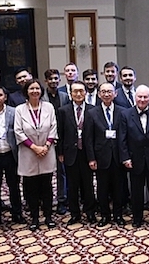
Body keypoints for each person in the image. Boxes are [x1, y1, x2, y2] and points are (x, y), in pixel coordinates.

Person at [120, 85, 149, 226]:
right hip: (135, 159)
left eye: (145, 97)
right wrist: (125, 158)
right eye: (139, 96)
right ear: (135, 98)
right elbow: (122, 139)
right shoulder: (126, 114)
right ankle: (137, 219)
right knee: (136, 191)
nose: (142, 99)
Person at [14, 79, 58, 231]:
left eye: (37, 88)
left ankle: (48, 216)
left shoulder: (49, 107)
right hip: (29, 153)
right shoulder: (19, 109)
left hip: (47, 152)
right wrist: (34, 147)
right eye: (31, 88)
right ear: (26, 91)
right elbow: (18, 132)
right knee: (31, 188)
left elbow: (53, 127)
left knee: (47, 186)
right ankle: (34, 218)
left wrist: (45, 146)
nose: (35, 91)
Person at [84, 82, 126, 227]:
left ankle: (118, 215)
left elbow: (125, 136)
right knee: (102, 188)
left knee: (118, 188)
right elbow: (88, 138)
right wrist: (91, 158)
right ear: (99, 94)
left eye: (110, 91)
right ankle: (105, 216)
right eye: (103, 92)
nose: (107, 94)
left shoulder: (123, 111)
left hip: (118, 156)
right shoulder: (91, 113)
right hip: (100, 157)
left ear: (115, 93)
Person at [56, 81, 97, 226]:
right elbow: (60, 133)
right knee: (72, 186)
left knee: (88, 185)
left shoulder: (93, 110)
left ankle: (90, 212)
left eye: (81, 91)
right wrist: (60, 152)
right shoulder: (63, 110)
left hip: (87, 153)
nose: (78, 94)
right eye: (75, 91)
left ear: (85, 92)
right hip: (70, 153)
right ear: (70, 94)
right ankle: (75, 214)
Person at [0, 86, 25, 228]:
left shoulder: (14, 112)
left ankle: (17, 213)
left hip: (11, 154)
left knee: (14, 185)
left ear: (5, 97)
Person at [40, 68, 69, 215]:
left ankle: (62, 201)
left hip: (62, 138)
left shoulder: (64, 96)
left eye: (56, 78)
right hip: (45, 140)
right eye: (50, 79)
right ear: (46, 81)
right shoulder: (41, 97)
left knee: (62, 172)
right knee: (46, 174)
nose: (54, 81)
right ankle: (46, 201)